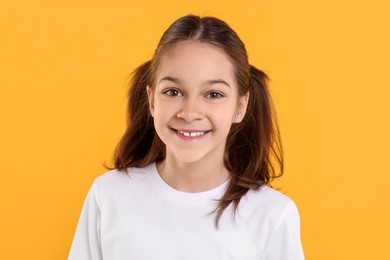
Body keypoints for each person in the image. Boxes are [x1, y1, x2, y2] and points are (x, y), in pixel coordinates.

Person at [68, 14, 304, 260]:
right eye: (173, 92)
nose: (190, 113)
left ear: (240, 106)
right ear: (151, 100)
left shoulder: (273, 215)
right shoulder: (109, 195)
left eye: (213, 94)